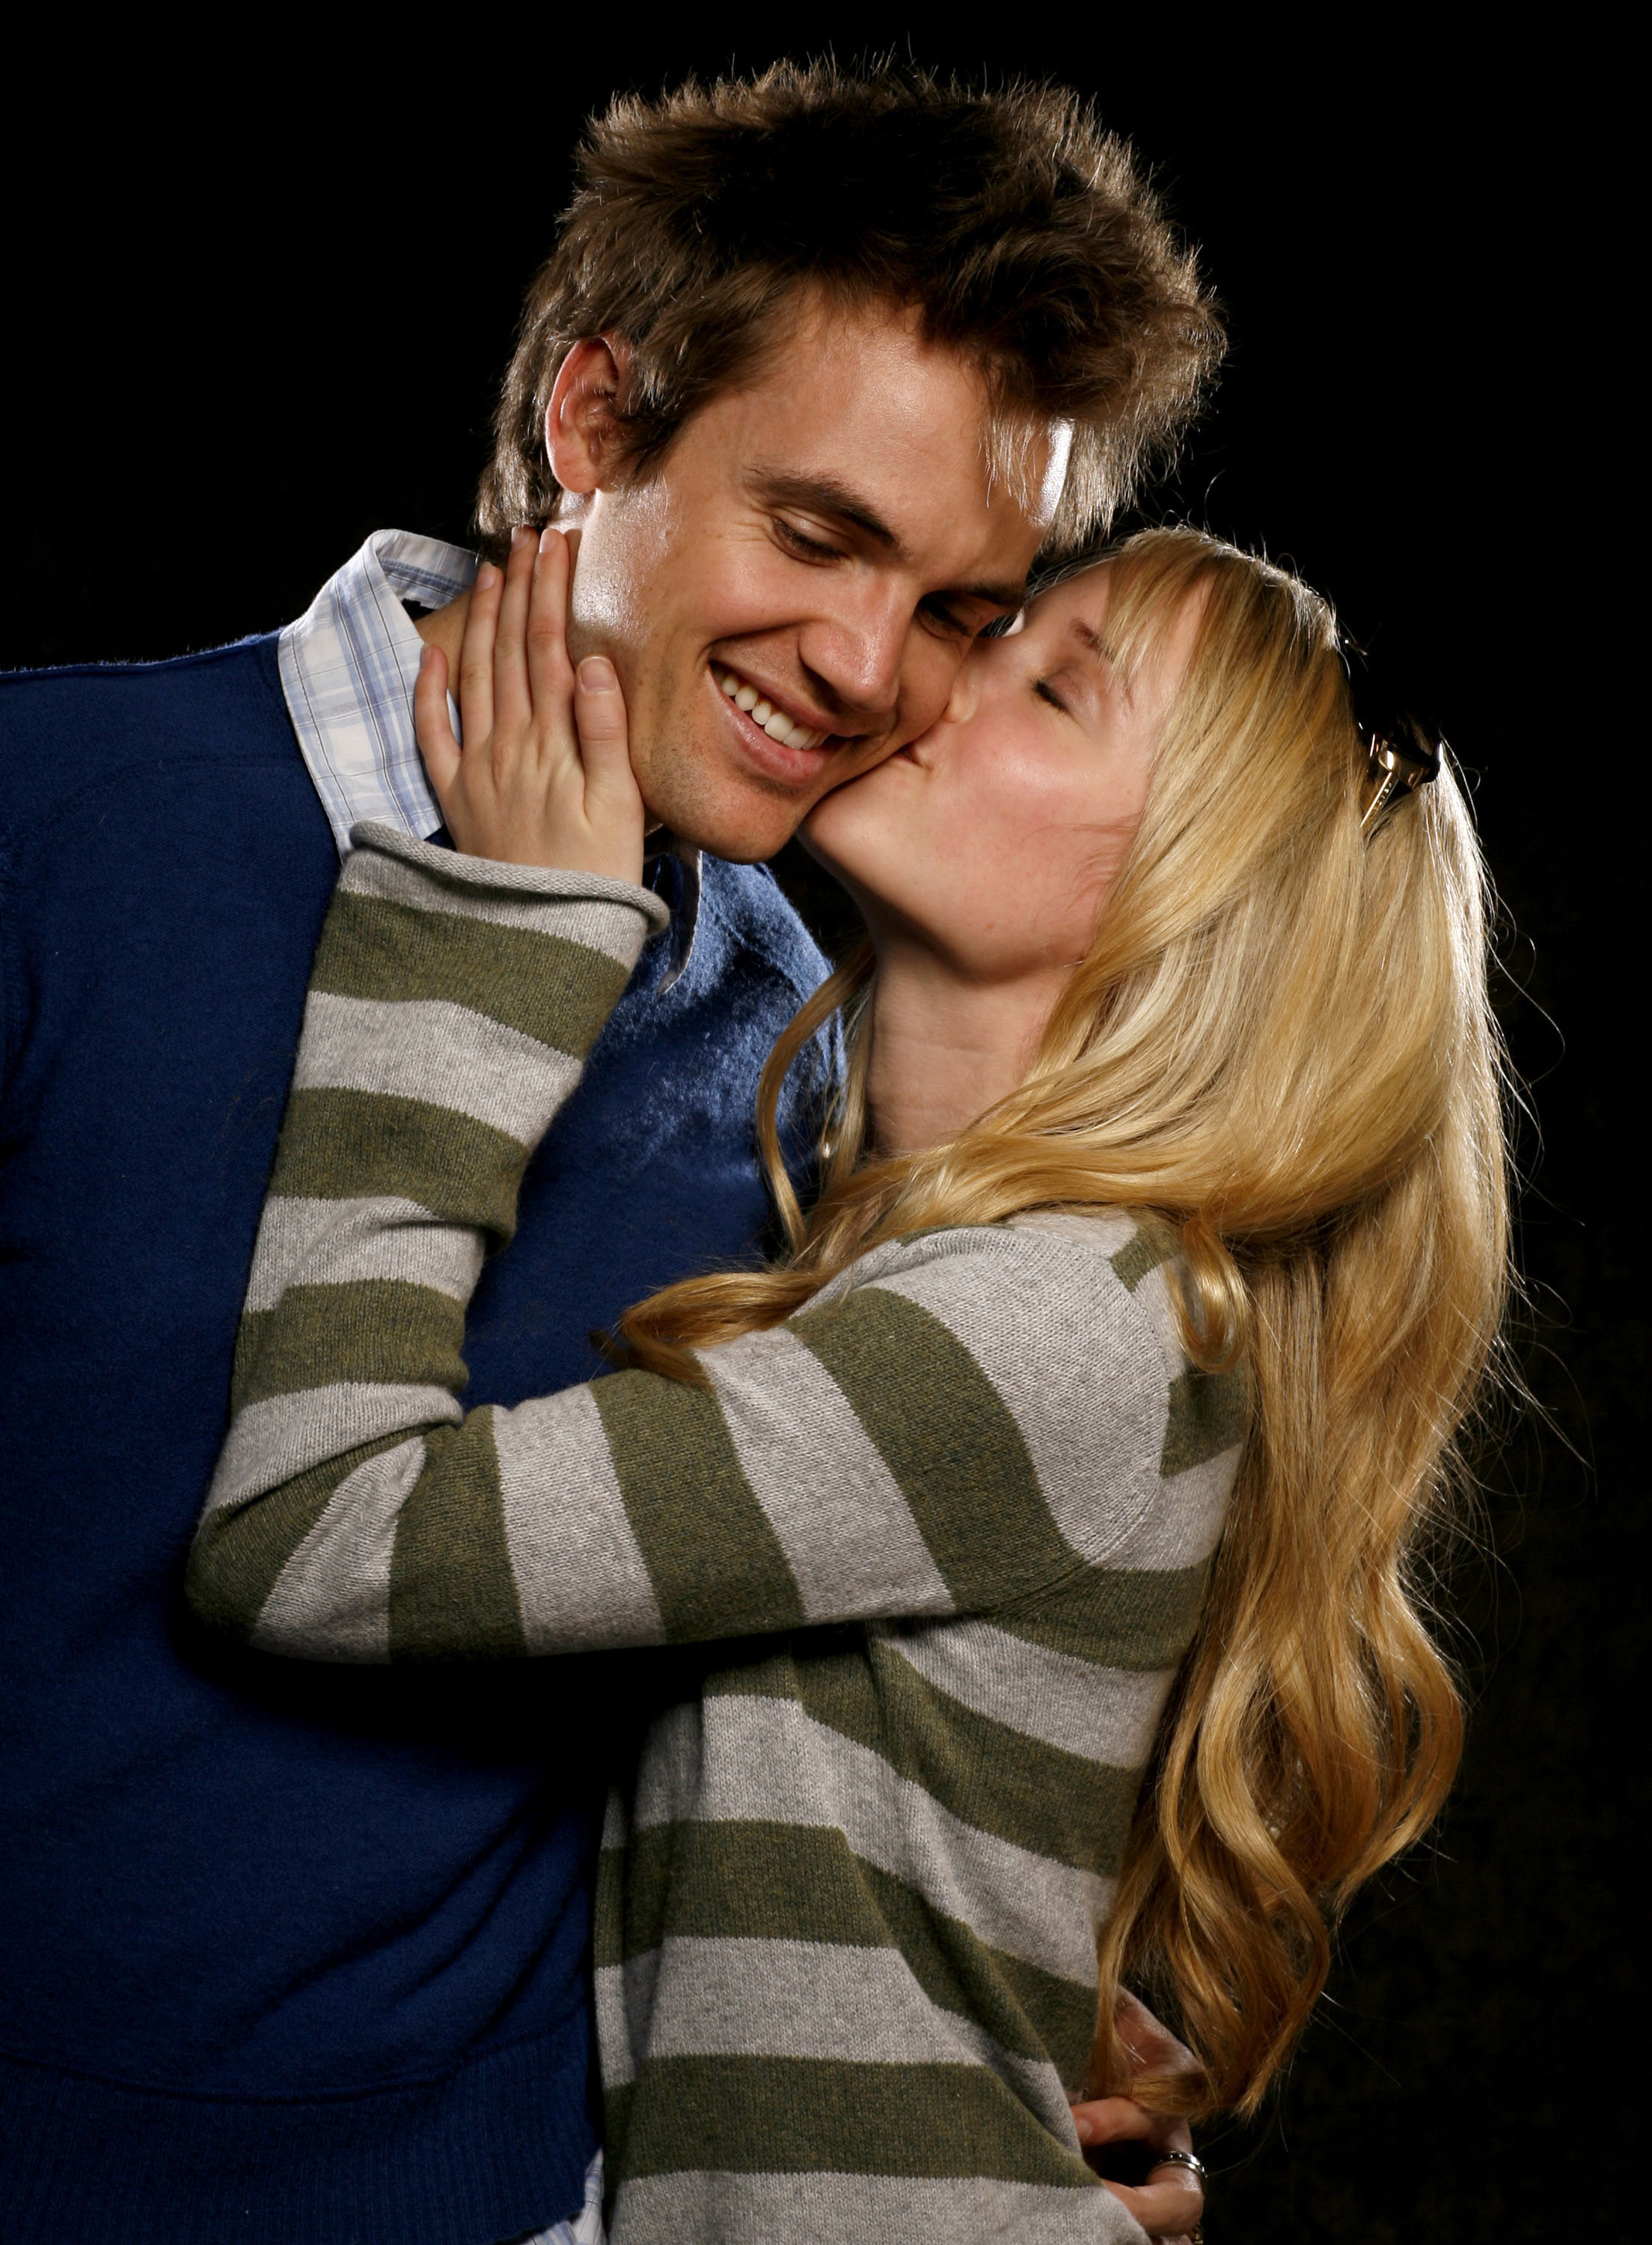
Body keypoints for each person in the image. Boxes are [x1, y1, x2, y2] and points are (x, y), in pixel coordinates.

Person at [0, 63, 1223, 2245]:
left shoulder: (822, 1070)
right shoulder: (49, 827)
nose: (867, 668)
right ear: (591, 422)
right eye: (818, 532)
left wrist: (964, 2084)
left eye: (964, 607)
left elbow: (763, 1703)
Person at [186, 516, 1508, 2241]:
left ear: (1180, 892)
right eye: (1001, 629)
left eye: (1052, 689)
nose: (931, 682)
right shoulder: (947, 1270)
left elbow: (310, 1533)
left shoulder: (1043, 1330)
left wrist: (491, 931)